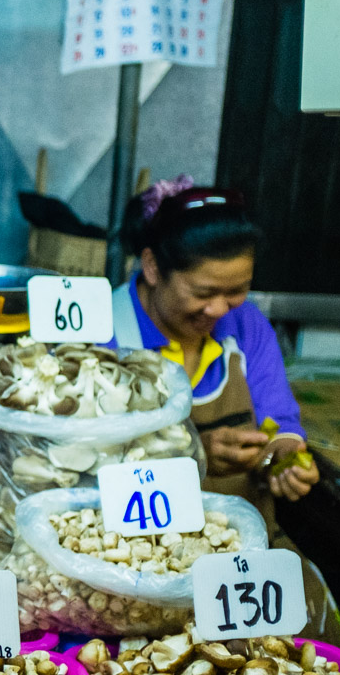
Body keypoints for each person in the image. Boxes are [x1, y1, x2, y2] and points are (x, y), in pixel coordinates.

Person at [113, 177, 318, 505]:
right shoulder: (107, 334)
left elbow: (278, 419)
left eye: (236, 291)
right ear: (152, 267)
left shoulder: (246, 325)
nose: (220, 309)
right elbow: (80, 461)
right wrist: (193, 453)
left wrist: (283, 457)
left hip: (239, 542)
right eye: (203, 293)